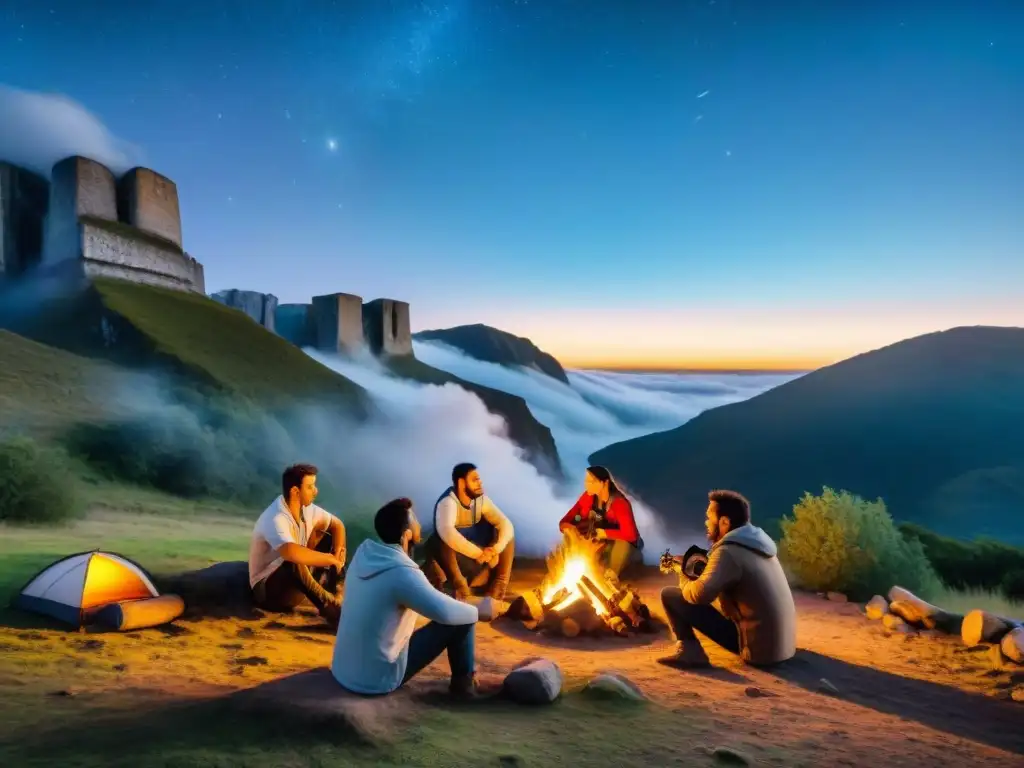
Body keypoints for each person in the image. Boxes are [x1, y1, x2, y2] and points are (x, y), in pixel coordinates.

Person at [331, 497, 499, 697]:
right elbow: (446, 613)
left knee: (458, 611)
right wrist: (480, 609)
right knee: (463, 618)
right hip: (376, 680)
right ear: (407, 535)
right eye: (415, 520)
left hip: (343, 670)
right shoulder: (402, 571)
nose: (419, 524)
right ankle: (464, 686)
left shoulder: (364, 554)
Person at [659, 489, 796, 669]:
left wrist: (682, 572)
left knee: (671, 595)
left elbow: (698, 595)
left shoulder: (727, 552)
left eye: (709, 517)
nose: (706, 522)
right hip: (782, 647)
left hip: (758, 652)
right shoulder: (757, 545)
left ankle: (690, 652)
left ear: (724, 521)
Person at [248, 463, 347, 627]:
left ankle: (335, 594)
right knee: (293, 558)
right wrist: (329, 559)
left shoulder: (307, 509)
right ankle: (329, 606)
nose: (315, 491)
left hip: (297, 584)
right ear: (295, 491)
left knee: (328, 538)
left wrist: (337, 555)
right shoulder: (276, 517)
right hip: (269, 593)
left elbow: (338, 525)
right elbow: (290, 552)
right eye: (310, 487)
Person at [422, 463, 515, 602]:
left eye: (479, 479)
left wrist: (495, 549)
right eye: (475, 479)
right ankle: (459, 585)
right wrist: (479, 553)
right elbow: (448, 534)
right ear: (461, 483)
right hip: (455, 561)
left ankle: (499, 584)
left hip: (480, 558)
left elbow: (505, 523)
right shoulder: (447, 502)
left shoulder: (481, 500)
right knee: (442, 539)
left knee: (505, 532)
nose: (480, 482)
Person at [558, 465, 642, 577]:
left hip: (621, 550)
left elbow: (631, 535)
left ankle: (611, 576)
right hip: (599, 545)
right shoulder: (588, 497)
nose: (586, 485)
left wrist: (604, 533)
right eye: (586, 481)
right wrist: (571, 530)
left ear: (604, 483)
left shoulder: (619, 503)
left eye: (591, 482)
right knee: (569, 535)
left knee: (623, 544)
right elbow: (566, 520)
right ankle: (571, 572)